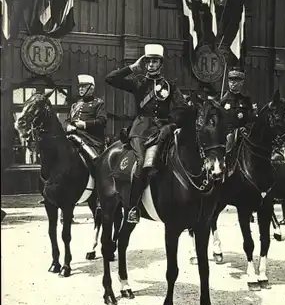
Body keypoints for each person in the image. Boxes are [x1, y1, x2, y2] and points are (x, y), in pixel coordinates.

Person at [105, 43, 191, 224]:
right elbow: (110, 79)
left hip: (163, 129)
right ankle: (134, 207)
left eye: (155, 61)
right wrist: (131, 68)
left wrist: (172, 124)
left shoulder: (169, 85)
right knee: (142, 162)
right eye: (148, 61)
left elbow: (182, 108)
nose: (151, 65)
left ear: (161, 64)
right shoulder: (138, 82)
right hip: (141, 130)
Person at [65, 74, 107, 177]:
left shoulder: (98, 103)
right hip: (73, 135)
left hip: (91, 139)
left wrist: (84, 125)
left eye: (84, 86)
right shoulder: (75, 105)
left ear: (91, 88)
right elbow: (67, 120)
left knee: (95, 161)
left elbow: (102, 121)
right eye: (80, 86)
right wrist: (68, 126)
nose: (81, 89)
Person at [220, 68, 257, 174]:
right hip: (227, 135)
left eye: (236, 81)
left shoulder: (246, 101)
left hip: (244, 135)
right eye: (231, 80)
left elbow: (252, 119)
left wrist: (246, 128)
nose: (233, 83)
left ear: (242, 83)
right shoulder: (223, 100)